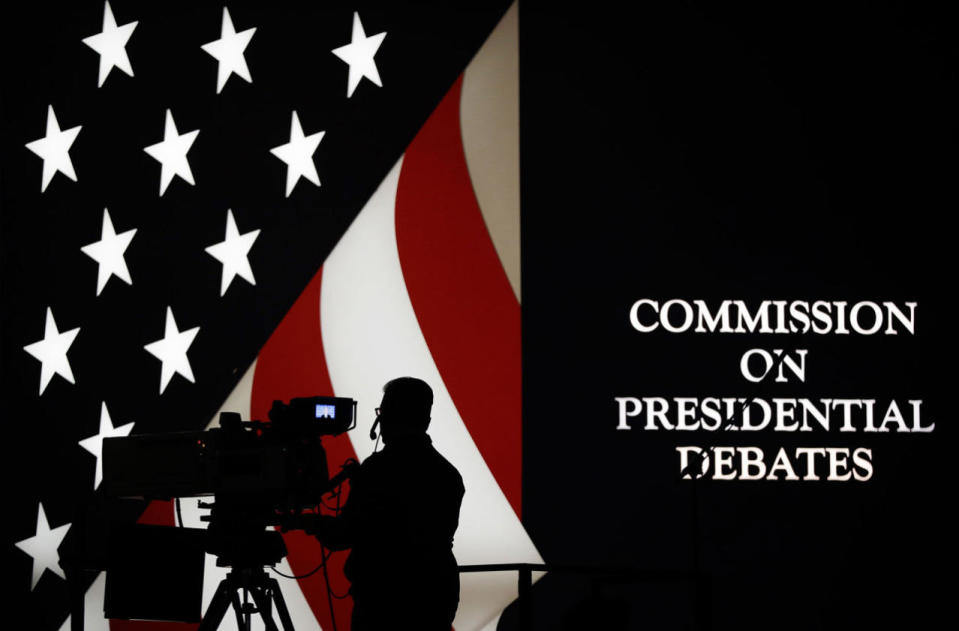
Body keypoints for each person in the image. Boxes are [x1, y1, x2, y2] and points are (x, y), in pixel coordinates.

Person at [311, 377, 465, 630]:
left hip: (383, 600)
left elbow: (343, 535)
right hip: (437, 595)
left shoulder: (377, 470)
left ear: (388, 416)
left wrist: (312, 523)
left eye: (382, 411)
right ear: (425, 420)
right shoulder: (448, 473)